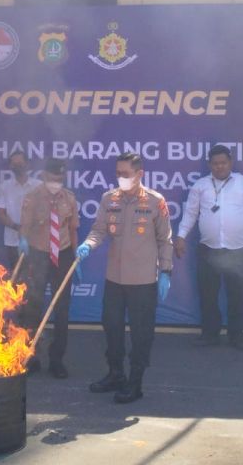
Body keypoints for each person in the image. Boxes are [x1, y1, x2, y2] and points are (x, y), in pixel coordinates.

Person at [76, 151, 173, 404]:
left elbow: (165, 240)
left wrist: (166, 271)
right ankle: (115, 373)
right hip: (115, 279)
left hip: (143, 281)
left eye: (125, 174)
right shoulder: (110, 199)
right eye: (118, 173)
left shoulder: (155, 201)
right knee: (112, 328)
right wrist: (87, 245)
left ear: (139, 174)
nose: (121, 178)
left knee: (141, 333)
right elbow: (98, 231)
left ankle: (135, 381)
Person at [176, 144, 243, 351]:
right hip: (208, 249)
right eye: (215, 163)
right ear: (209, 165)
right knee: (208, 295)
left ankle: (236, 336)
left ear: (230, 163)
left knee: (236, 295)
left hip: (238, 250)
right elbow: (190, 214)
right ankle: (210, 334)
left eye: (223, 163)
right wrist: (181, 236)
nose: (219, 167)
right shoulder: (200, 186)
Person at [18, 158, 79, 378]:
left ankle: (57, 360)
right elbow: (24, 228)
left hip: (62, 254)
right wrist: (23, 242)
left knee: (62, 309)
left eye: (61, 179)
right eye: (53, 179)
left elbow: (72, 229)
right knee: (33, 307)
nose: (57, 183)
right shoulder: (33, 198)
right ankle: (31, 356)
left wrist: (74, 256)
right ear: (44, 176)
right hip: (38, 253)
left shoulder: (69, 198)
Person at [0, 150, 40, 271]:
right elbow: (1, 213)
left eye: (20, 163)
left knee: (35, 280)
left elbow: (45, 213)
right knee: (17, 281)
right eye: (14, 164)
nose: (18, 166)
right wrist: (17, 227)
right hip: (12, 241)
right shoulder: (5, 187)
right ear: (10, 167)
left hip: (36, 242)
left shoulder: (39, 186)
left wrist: (30, 228)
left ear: (27, 164)